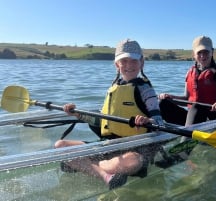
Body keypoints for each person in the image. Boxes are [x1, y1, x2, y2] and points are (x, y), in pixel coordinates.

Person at [54, 39, 164, 190]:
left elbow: (159, 122)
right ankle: (105, 175)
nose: (129, 65)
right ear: (116, 65)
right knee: (60, 146)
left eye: (133, 60)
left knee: (134, 162)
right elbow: (102, 121)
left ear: (141, 63)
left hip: (134, 149)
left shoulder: (146, 90)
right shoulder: (112, 89)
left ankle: (85, 165)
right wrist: (77, 114)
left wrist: (148, 120)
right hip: (107, 145)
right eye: (123, 61)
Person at [159, 35, 216, 126]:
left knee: (197, 106)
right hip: (195, 118)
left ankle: (186, 138)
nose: (202, 56)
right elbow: (187, 99)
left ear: (212, 52)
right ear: (194, 54)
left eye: (206, 52)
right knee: (163, 103)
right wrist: (171, 97)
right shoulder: (190, 73)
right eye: (199, 53)